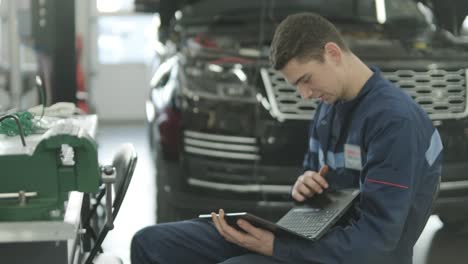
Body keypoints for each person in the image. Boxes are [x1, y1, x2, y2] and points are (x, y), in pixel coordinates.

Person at [130, 12, 442, 264]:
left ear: (332, 53)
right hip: (309, 237)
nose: (305, 94)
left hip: (353, 255)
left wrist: (276, 247)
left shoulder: (394, 122)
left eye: (306, 80)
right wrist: (304, 186)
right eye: (297, 86)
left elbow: (375, 244)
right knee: (151, 243)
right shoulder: (329, 108)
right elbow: (318, 183)